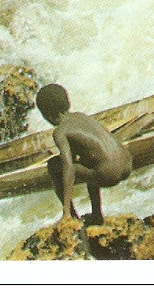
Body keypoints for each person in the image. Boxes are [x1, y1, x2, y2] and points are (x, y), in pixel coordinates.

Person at [35, 83, 133, 225]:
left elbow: (68, 167)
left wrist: (66, 210)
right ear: (68, 103)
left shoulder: (60, 131)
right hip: (126, 165)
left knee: (53, 165)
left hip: (108, 174)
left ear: (46, 115)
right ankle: (97, 215)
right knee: (88, 161)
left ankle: (72, 217)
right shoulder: (81, 116)